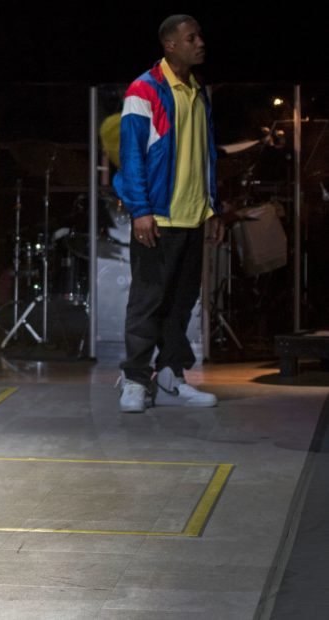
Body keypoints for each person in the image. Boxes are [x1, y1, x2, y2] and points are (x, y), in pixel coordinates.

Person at [114, 14, 222, 413]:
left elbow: (205, 156)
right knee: (147, 302)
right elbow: (131, 156)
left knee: (181, 304)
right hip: (158, 218)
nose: (200, 42)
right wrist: (141, 210)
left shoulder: (197, 89)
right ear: (170, 45)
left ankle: (172, 375)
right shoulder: (145, 90)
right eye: (192, 37)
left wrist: (214, 209)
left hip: (193, 217)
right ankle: (135, 379)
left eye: (200, 35)